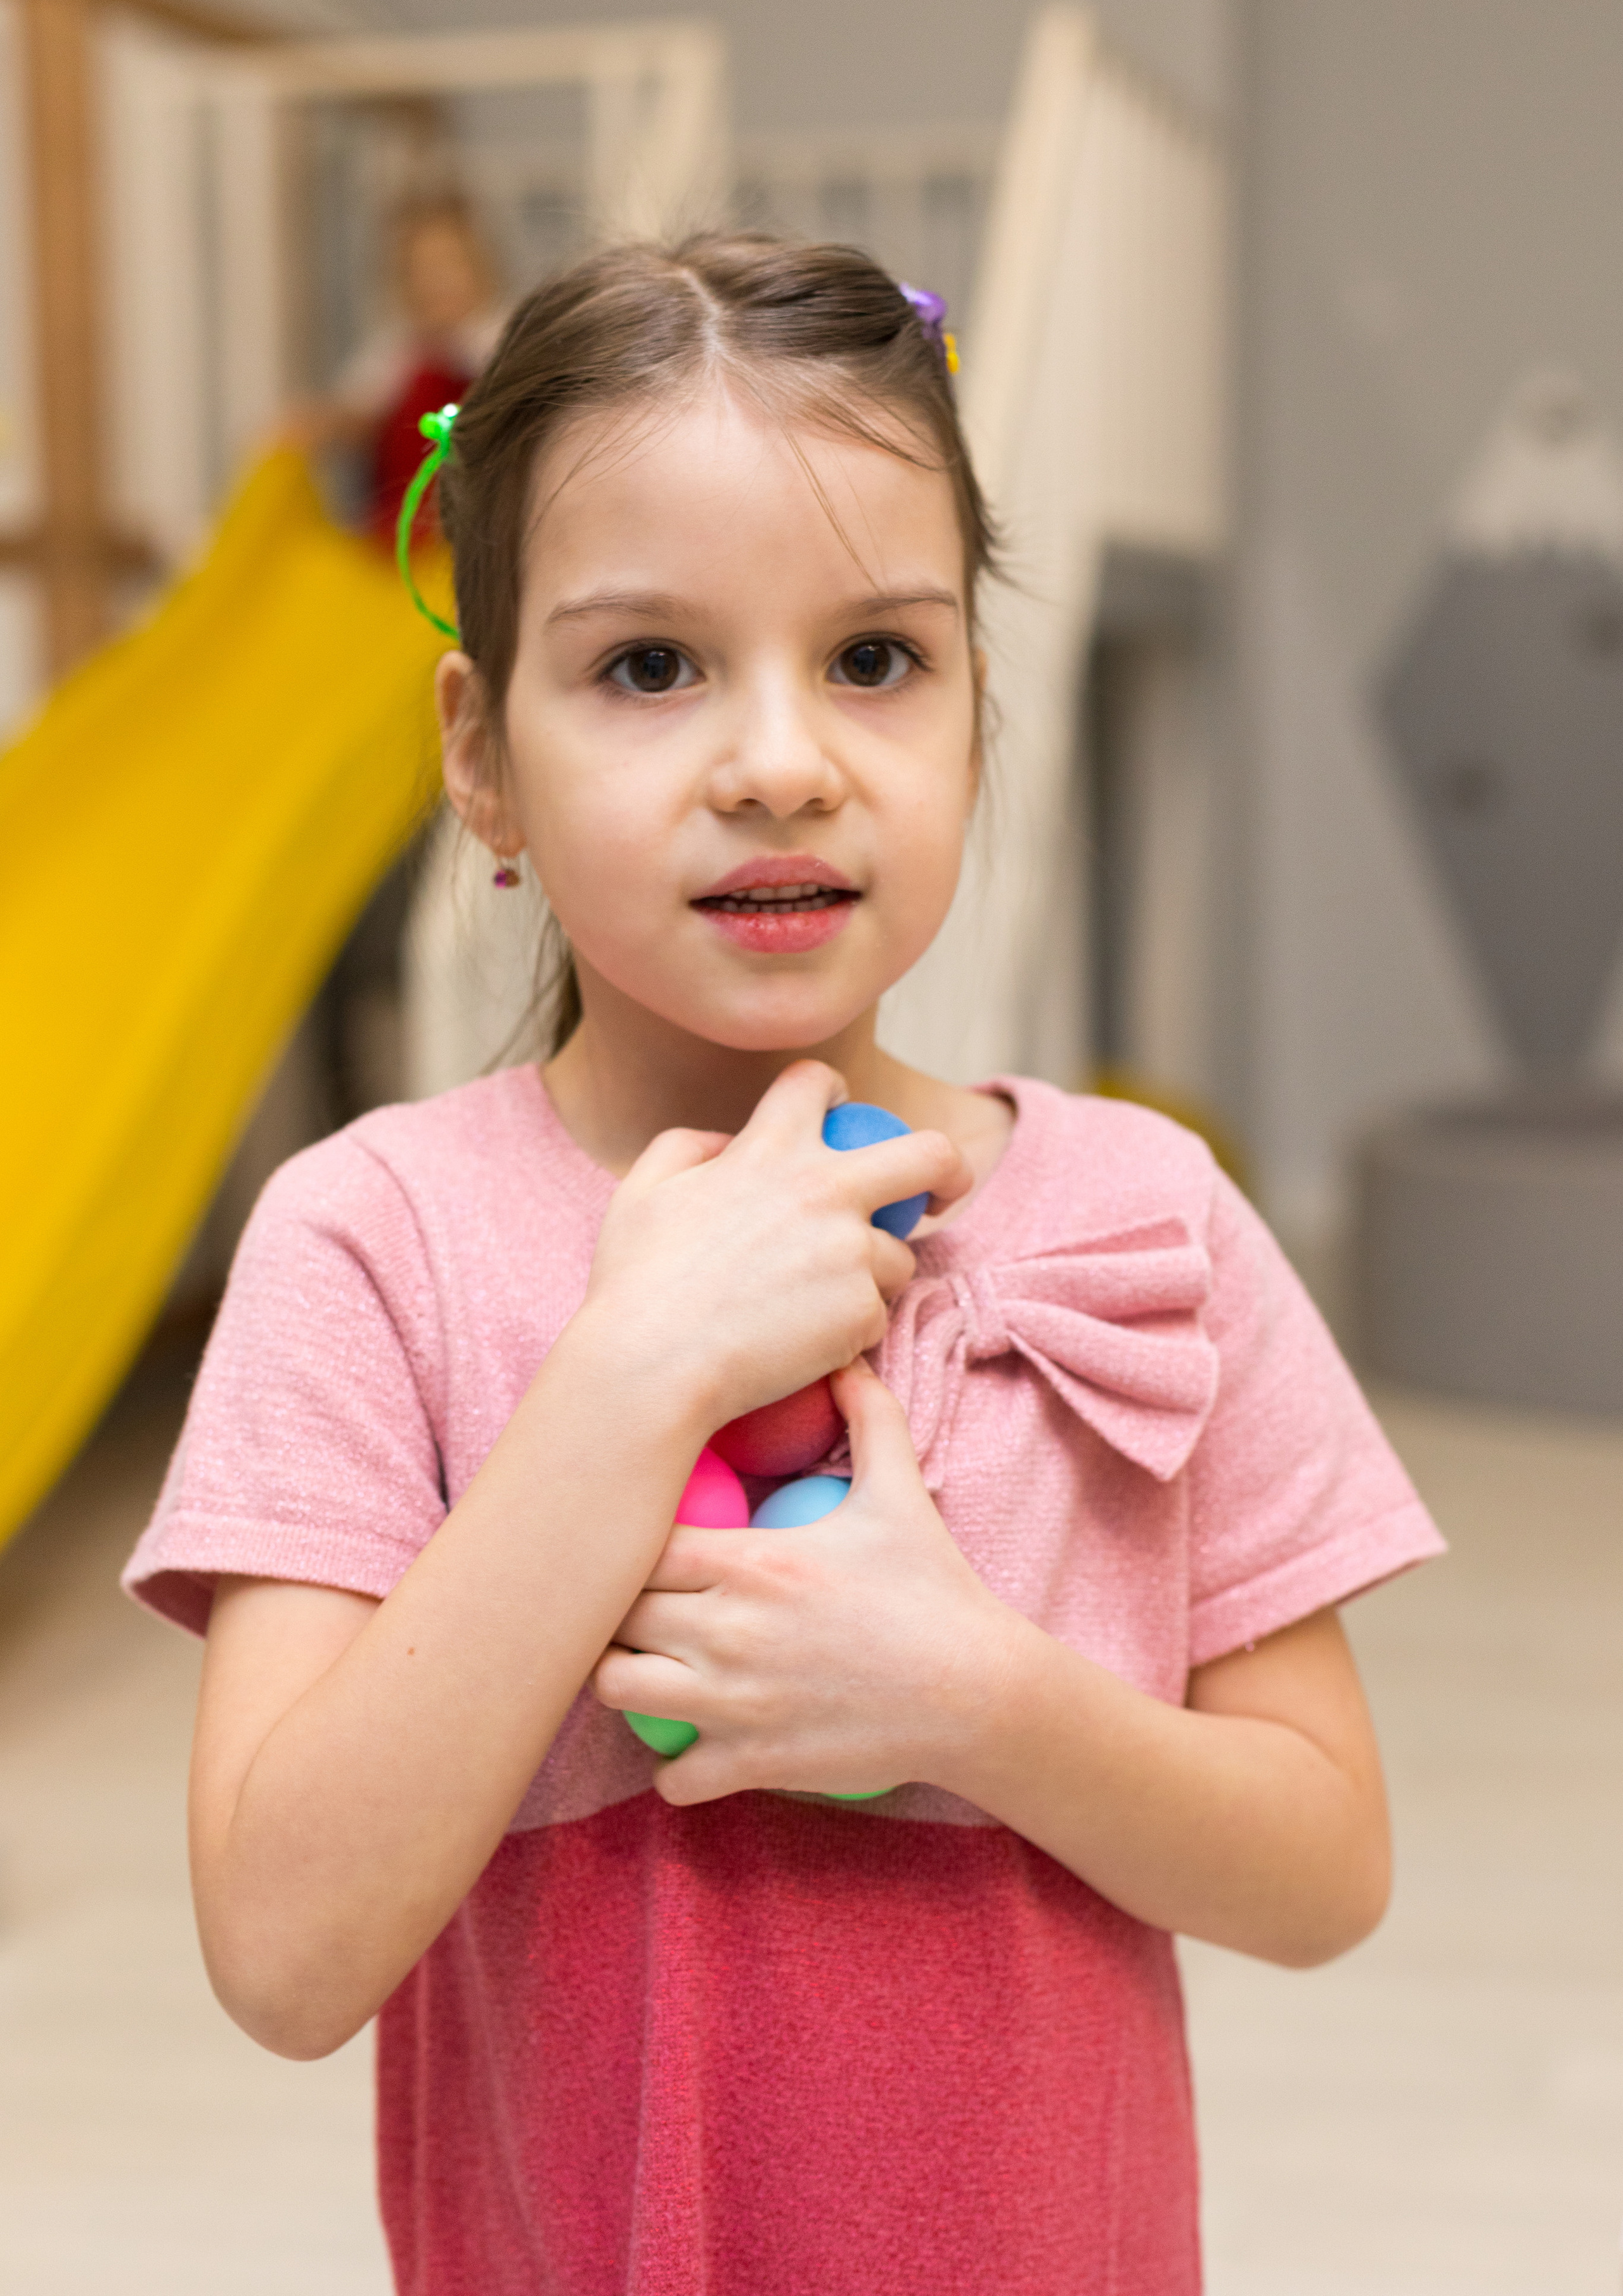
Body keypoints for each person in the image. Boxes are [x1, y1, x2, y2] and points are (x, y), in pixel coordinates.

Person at [125, 233, 1444, 2295]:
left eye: (876, 658)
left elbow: (1326, 1870)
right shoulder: (370, 1241)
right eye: (650, 666)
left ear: (974, 710)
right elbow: (287, 1956)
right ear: (481, 750)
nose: (780, 759)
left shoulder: (1144, 1214)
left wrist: (985, 1705)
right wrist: (629, 1372)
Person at [285, 193, 506, 542]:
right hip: (397, 535)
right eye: (418, 270)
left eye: (449, 266)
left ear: (482, 269)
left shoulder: (498, 345)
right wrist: (310, 426)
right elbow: (355, 412)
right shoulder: (396, 353)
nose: (435, 282)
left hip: (471, 537)